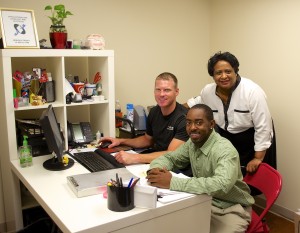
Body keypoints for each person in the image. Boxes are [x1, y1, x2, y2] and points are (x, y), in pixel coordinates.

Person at [146, 104, 254, 233]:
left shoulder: (224, 150)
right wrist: (157, 170)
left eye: (199, 123)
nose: (192, 128)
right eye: (188, 123)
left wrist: (172, 182)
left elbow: (221, 184)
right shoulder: (192, 143)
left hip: (230, 208)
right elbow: (170, 158)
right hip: (203, 200)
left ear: (212, 124)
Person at [184, 51, 275, 174]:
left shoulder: (252, 92)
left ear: (235, 71)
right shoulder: (207, 91)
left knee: (253, 183)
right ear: (212, 75)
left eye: (228, 71)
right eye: (218, 73)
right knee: (228, 178)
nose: (223, 76)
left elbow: (263, 127)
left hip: (253, 141)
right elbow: (195, 103)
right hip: (227, 140)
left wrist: (257, 158)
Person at [101, 72, 190, 167]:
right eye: (158, 90)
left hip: (175, 167)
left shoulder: (184, 118)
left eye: (167, 90)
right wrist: (120, 141)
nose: (161, 94)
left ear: (176, 92)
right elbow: (147, 140)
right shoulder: (154, 111)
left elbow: (171, 155)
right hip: (156, 159)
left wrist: (134, 158)